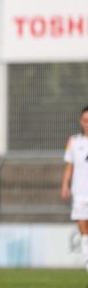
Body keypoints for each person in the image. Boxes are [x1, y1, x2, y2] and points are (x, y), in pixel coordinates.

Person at [61, 106, 88, 273]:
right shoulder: (74, 141)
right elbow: (69, 166)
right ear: (81, 122)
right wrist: (65, 184)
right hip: (80, 195)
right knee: (84, 229)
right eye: (85, 121)